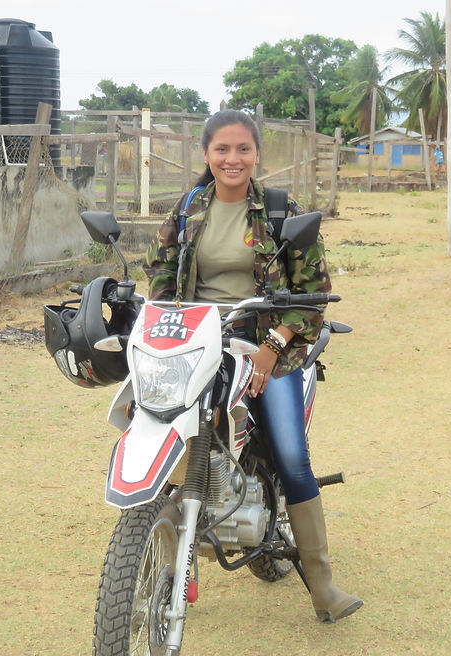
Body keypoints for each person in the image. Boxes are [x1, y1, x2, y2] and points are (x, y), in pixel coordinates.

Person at [144, 109, 362, 624]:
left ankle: (323, 586)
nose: (232, 159)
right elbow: (160, 275)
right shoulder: (187, 209)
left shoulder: (282, 211)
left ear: (257, 154)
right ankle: (167, 559)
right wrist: (157, 322)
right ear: (206, 154)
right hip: (198, 341)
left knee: (291, 456)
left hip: (270, 347)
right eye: (222, 149)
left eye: (243, 149)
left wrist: (272, 344)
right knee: (172, 435)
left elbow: (313, 294)